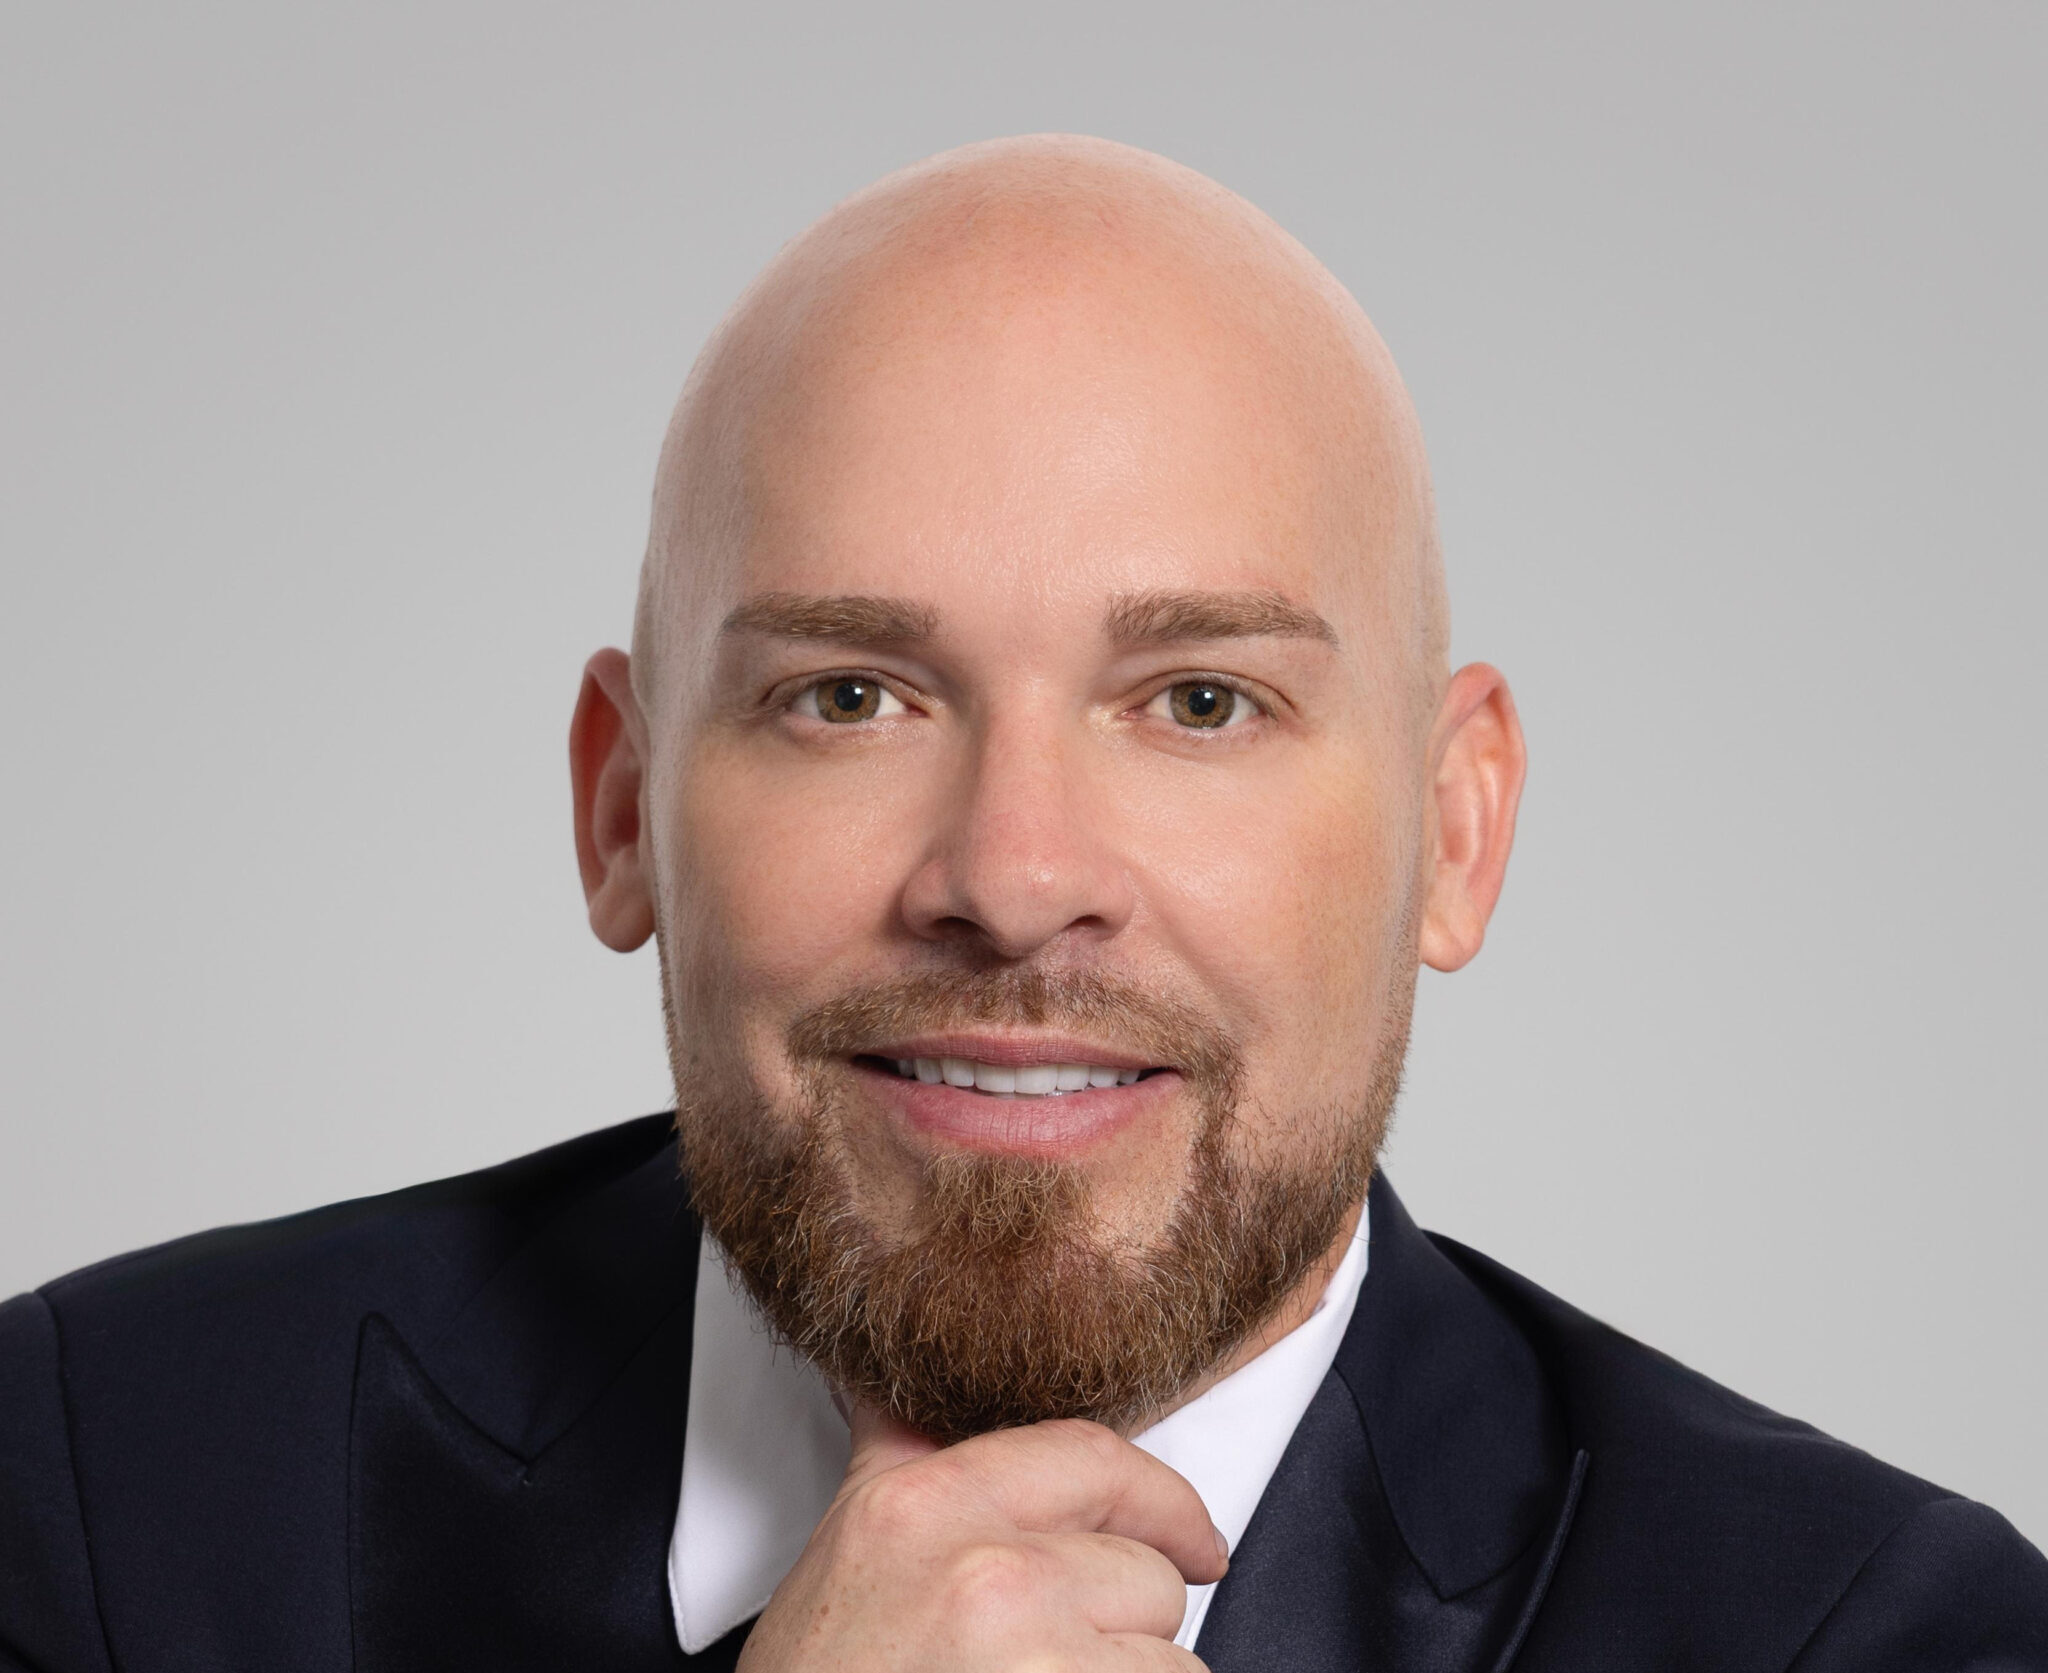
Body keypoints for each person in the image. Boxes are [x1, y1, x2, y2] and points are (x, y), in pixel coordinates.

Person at [2, 135, 2043, 1673]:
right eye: (850, 696)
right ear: (621, 809)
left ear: (1455, 830)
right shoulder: (104, 1494)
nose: (1013, 875)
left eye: (1201, 700)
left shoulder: (1878, 1635)